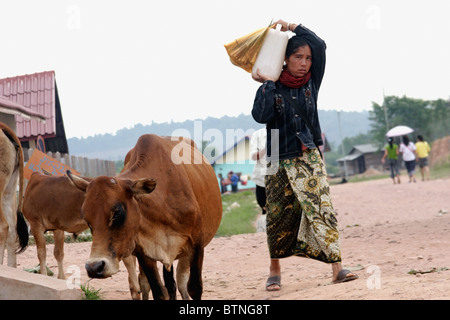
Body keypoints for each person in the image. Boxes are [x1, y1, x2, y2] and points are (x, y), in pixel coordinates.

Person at [252, 19, 358, 291]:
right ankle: (274, 271)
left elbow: (320, 45)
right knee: (277, 216)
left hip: (308, 155)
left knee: (323, 209)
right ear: (284, 60)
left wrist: (293, 26)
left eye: (307, 58)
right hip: (277, 159)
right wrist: (267, 83)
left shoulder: (313, 82)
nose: (304, 62)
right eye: (298, 57)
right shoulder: (270, 86)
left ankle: (337, 268)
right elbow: (260, 116)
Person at [250, 128, 267, 215]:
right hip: (261, 180)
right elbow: (253, 156)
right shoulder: (258, 135)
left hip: (282, 178)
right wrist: (266, 148)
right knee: (263, 205)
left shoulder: (284, 130)